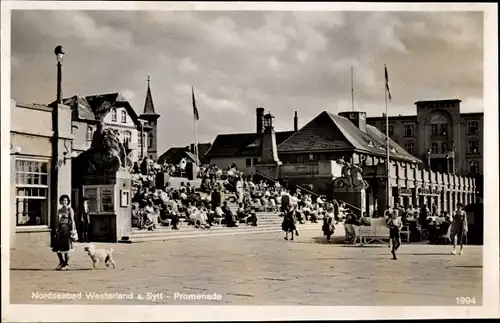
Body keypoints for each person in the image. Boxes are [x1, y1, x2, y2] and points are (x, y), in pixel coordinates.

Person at [52, 194, 77, 270]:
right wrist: (56, 228)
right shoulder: (59, 210)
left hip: (66, 229)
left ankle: (66, 264)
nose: (64, 202)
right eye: (63, 200)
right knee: (57, 247)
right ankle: (61, 262)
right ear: (61, 201)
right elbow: (57, 221)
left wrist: (72, 230)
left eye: (65, 200)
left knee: (66, 247)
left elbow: (72, 220)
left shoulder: (70, 209)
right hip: (60, 229)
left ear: (68, 201)